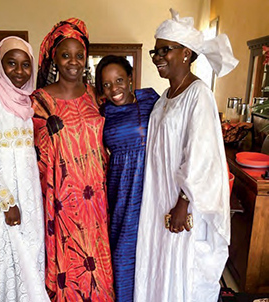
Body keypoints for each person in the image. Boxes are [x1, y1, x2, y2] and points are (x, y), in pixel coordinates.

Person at [134, 8, 239, 302]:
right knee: (159, 261)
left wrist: (183, 203)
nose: (157, 57)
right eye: (155, 51)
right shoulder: (165, 97)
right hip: (158, 198)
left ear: (186, 53)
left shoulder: (198, 95)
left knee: (181, 266)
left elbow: (203, 156)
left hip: (183, 204)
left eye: (164, 50)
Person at [31, 19, 114, 301]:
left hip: (96, 197)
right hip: (63, 200)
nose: (74, 62)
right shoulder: (40, 100)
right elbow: (28, 152)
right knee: (71, 260)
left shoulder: (93, 95)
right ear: (54, 57)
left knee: (96, 257)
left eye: (80, 55)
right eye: (66, 55)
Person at [0, 36, 49, 302]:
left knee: (30, 269)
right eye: (11, 63)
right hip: (1, 205)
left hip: (28, 202)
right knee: (5, 274)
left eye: (26, 64)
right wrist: (6, 202)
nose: (19, 71)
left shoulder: (25, 103)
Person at [95, 55, 159, 302]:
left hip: (150, 185)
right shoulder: (103, 111)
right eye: (107, 84)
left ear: (131, 79)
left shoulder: (151, 100)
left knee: (150, 252)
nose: (114, 89)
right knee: (122, 254)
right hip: (119, 189)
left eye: (119, 80)